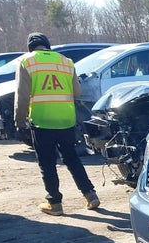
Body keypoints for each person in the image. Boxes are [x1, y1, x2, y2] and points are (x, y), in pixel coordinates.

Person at [14, 32, 100, 216]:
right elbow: (77, 92)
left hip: (42, 121)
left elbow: (22, 96)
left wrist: (19, 122)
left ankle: (54, 203)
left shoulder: (27, 62)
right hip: (66, 120)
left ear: (31, 47)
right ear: (47, 45)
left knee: (47, 163)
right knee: (72, 158)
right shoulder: (66, 62)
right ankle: (90, 194)